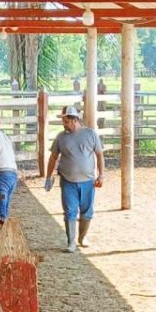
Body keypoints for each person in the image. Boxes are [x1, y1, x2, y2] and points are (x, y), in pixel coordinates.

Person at [44, 105, 104, 253]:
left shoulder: (90, 134)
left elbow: (99, 155)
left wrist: (101, 174)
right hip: (67, 180)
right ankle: (71, 242)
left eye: (66, 120)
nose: (64, 123)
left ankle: (82, 237)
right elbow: (53, 157)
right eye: (63, 120)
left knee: (87, 211)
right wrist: (48, 176)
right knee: (70, 211)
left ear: (75, 119)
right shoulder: (61, 137)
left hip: (87, 180)